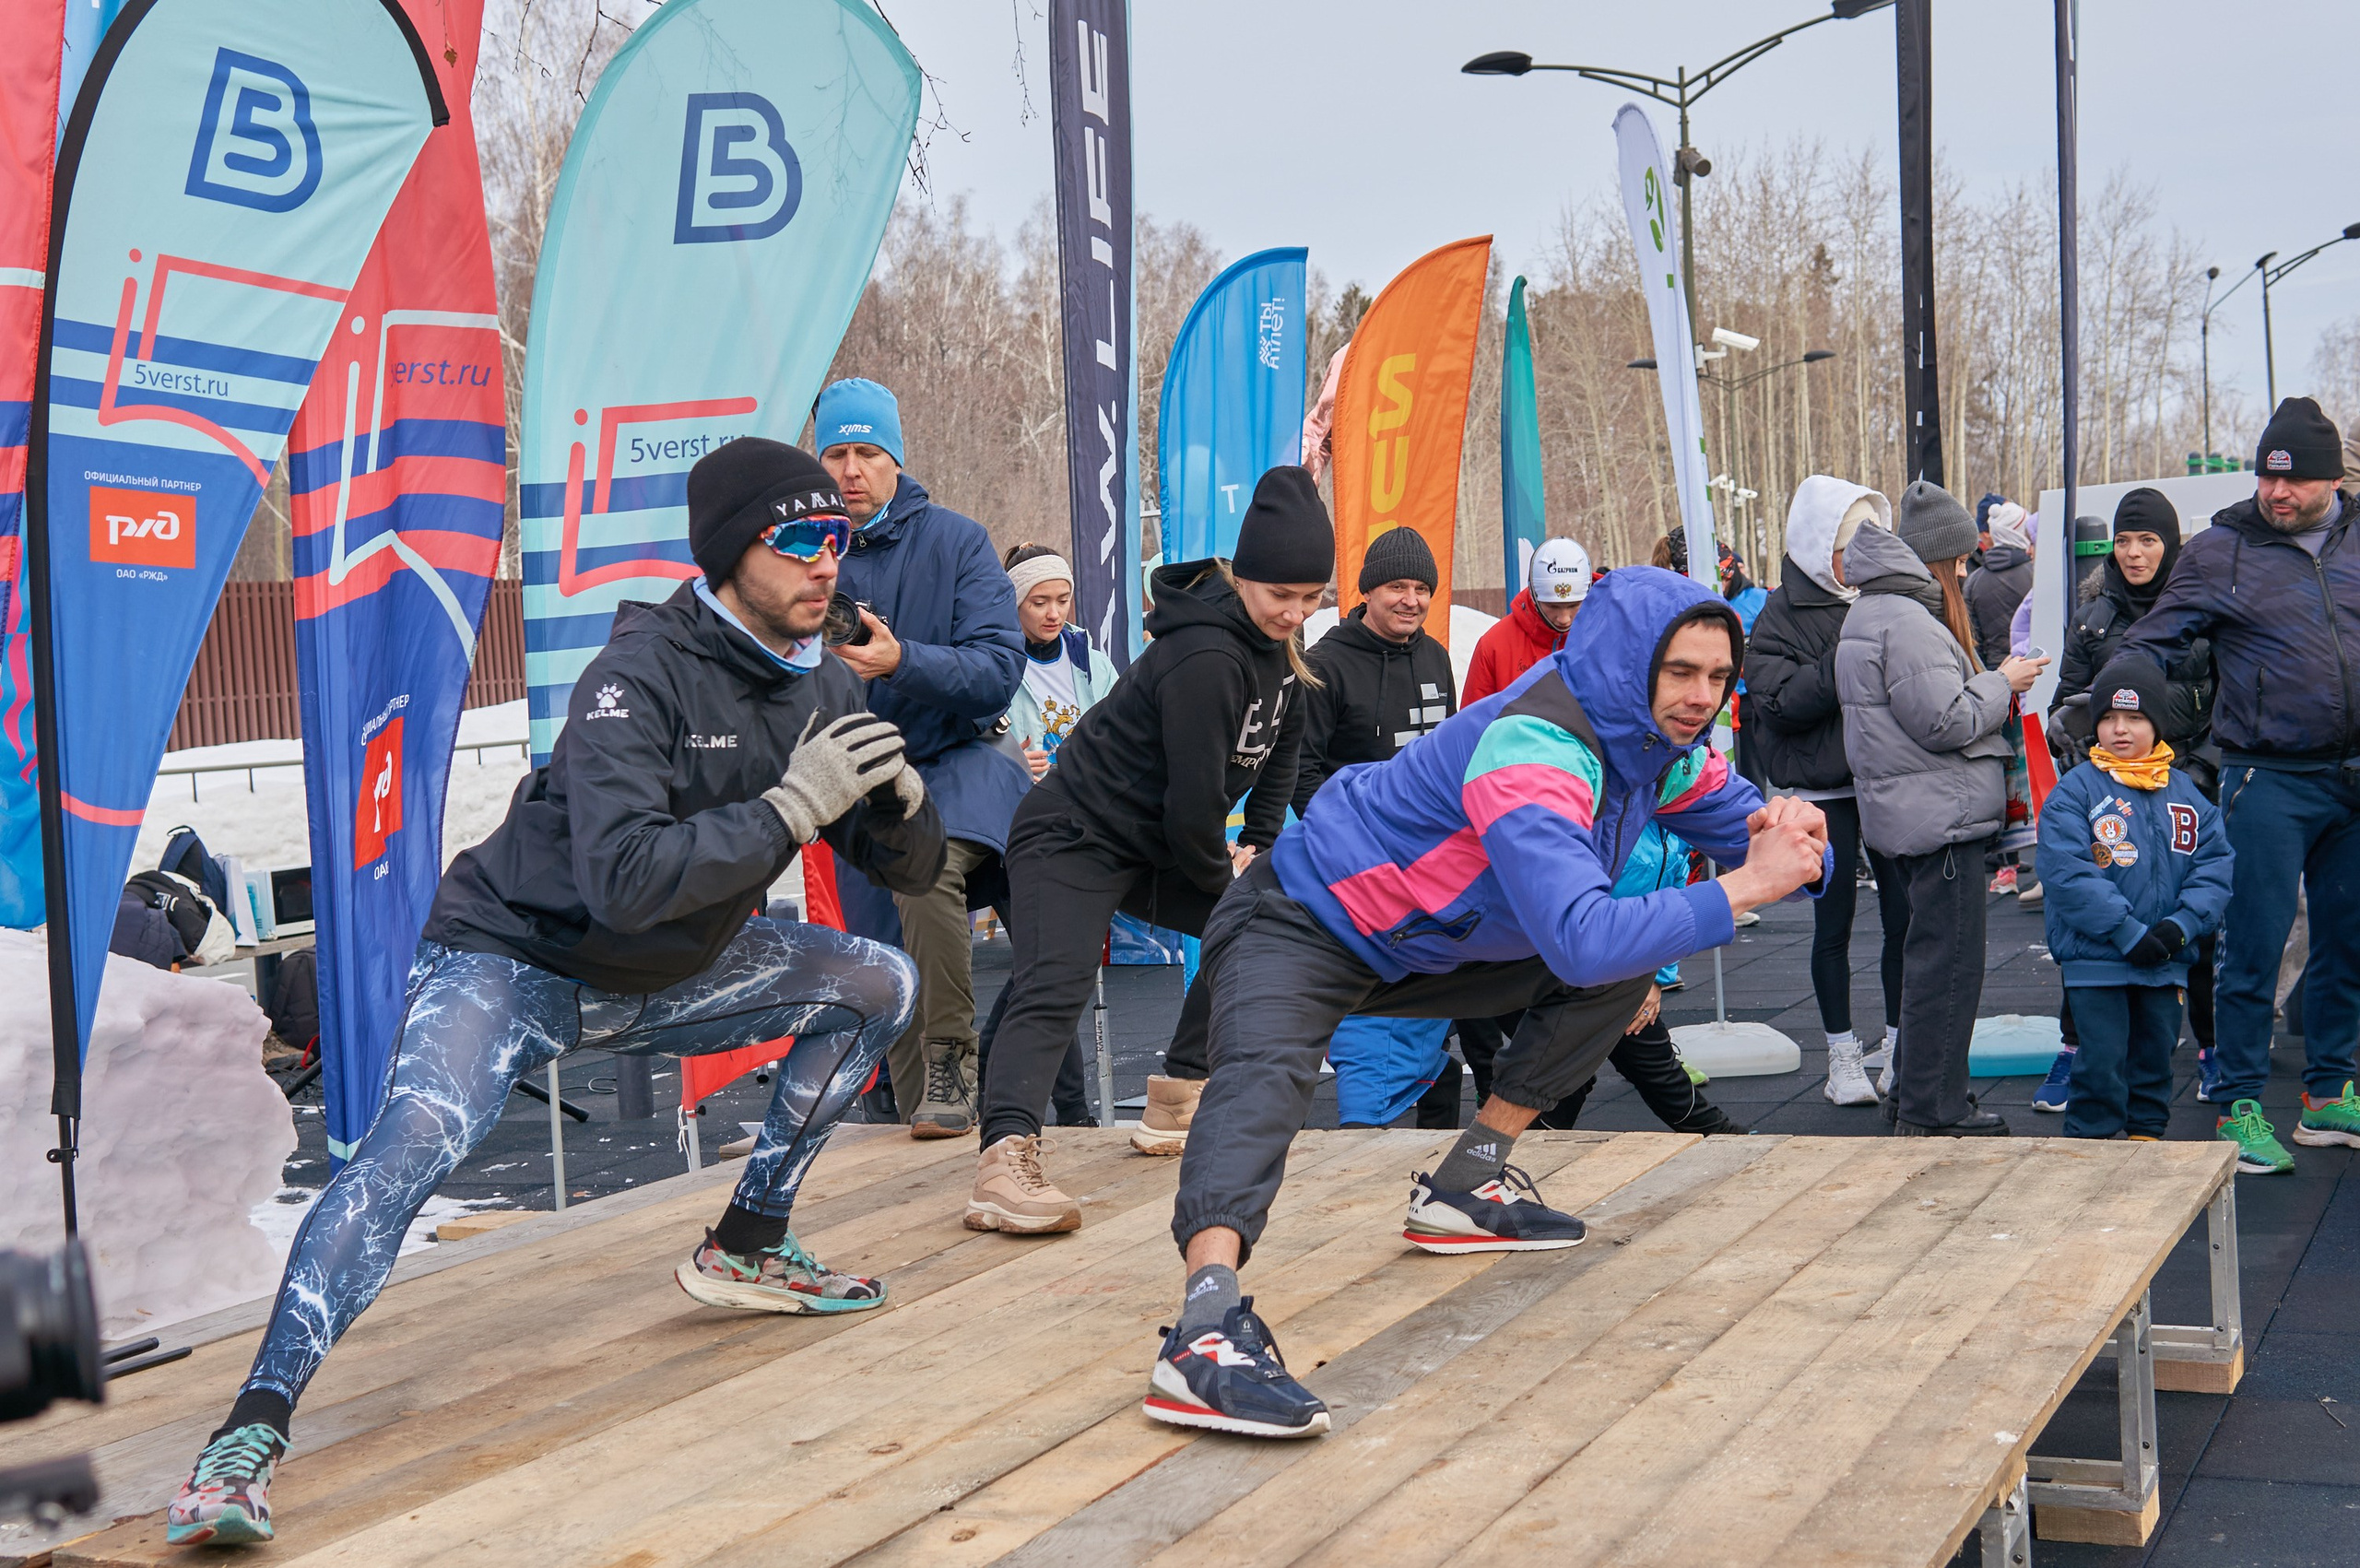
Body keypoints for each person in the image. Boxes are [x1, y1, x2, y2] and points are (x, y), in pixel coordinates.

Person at [164, 440, 943, 1546]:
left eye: (842, 540)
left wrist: (902, 807)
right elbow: (623, 880)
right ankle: (244, 1437)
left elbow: (909, 875)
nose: (830, 563)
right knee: (407, 1155)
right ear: (730, 554)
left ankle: (748, 1241)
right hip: (513, 963)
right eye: (803, 539)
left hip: (666, 975)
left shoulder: (821, 680)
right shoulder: (635, 676)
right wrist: (787, 812)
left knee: (878, 980)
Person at [1145, 567, 1829, 1439]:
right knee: (1266, 1081)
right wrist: (1744, 885)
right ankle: (1202, 1329)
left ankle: (1465, 1185)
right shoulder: (1534, 750)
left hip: (1434, 943)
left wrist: (1798, 835)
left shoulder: (1657, 747)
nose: (1701, 697)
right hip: (1307, 917)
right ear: (1630, 664)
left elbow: (1771, 843)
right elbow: (1584, 933)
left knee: (1633, 953)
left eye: (1716, 678)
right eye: (1681, 673)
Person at [969, 466, 1320, 1232]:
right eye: (1279, 596)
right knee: (1054, 984)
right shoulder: (1205, 658)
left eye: (1310, 598)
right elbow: (1194, 802)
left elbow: (1283, 750)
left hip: (1152, 841)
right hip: (1073, 833)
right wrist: (1215, 873)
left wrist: (1257, 847)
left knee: (1265, 925)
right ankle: (1003, 1158)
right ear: (1244, 577)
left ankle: (1177, 1094)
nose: (1293, 613)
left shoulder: (1284, 657)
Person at [2120, 396, 2360, 1172]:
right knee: (2250, 944)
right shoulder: (2221, 550)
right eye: (2266, 476)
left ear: (2334, 481)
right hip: (2266, 776)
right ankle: (2241, 1104)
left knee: (2345, 941)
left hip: (2353, 779)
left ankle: (2328, 1095)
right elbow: (2148, 644)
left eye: (2294, 481)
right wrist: (2119, 713)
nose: (2277, 492)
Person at [815, 378, 1027, 1138]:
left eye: (867, 451)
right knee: (882, 974)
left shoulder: (958, 540)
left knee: (923, 860)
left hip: (959, 765)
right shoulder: (805, 556)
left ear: (896, 460)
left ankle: (952, 1056)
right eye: (836, 452)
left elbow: (999, 669)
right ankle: (921, 1100)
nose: (850, 469)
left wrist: (902, 660)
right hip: (857, 786)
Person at [1836, 480, 2047, 1136]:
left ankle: (1920, 1098)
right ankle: (1936, 1109)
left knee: (1928, 967)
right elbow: (1946, 721)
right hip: (1939, 819)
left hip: (1913, 814)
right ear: (1938, 559)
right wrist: (2002, 681)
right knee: (1948, 971)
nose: (1966, 569)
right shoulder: (1905, 621)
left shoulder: (1877, 613)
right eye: (1960, 559)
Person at [2035, 488, 2215, 1114]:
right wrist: (2088, 758)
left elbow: (2225, 700)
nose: (2134, 553)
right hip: (2109, 789)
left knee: (2191, 920)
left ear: (2170, 545)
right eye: (2124, 540)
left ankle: (2210, 1047)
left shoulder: (2201, 609)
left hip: (2184, 784)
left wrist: (2197, 774)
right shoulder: (2091, 618)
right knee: (2096, 914)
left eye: (2148, 540)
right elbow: (2071, 701)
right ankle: (2074, 1046)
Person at [1287, 526, 1468, 1129]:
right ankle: (1362, 1136)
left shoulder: (1436, 656)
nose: (1411, 599)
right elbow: (1300, 773)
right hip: (1357, 871)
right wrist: (1351, 848)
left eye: (1421, 587)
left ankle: (1437, 1138)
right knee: (1370, 1014)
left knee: (1434, 1003)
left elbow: (1448, 757)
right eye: (1398, 586)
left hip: (1431, 868)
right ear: (1368, 591)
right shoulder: (1325, 666)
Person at [1744, 475, 1908, 1106]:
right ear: (1819, 547)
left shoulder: (1880, 601)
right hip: (1824, 791)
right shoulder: (1778, 614)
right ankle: (1842, 1054)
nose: (1859, 560)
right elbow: (1779, 704)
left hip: (1882, 779)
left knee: (1904, 917)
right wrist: (1846, 649)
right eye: (1848, 547)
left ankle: (1897, 1045)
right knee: (1832, 921)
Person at [2035, 658, 2232, 1142]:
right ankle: (2090, 1157)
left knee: (2153, 1063)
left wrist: (2180, 927)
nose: (2120, 730)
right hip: (2098, 959)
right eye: (2108, 719)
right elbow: (2068, 872)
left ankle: (2146, 1150)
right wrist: (2126, 931)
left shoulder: (2187, 795)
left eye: (2136, 718)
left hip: (2165, 959)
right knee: (2100, 1065)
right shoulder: (2075, 792)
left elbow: (2214, 866)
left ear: (2157, 724)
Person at [971, 544, 1118, 1130]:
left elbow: (1120, 722)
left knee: (1051, 969)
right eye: (1039, 602)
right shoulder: (994, 656)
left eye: (1062, 599)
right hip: (1018, 830)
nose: (1054, 612)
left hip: (1082, 828)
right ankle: (1073, 1111)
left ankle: (993, 1068)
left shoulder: (1088, 656)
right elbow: (970, 728)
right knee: (1054, 968)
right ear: (1015, 604)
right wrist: (1010, 758)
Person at [1966, 501, 2037, 894]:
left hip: (1995, 687)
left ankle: (2005, 867)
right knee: (2040, 772)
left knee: (2004, 775)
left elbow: (1971, 639)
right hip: (2034, 680)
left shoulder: (1974, 582)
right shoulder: (2034, 575)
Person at [1462, 536, 1589, 702]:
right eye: (1552, 606)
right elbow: (1473, 722)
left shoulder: (1605, 639)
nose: (1564, 618)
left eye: (1574, 605)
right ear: (1534, 595)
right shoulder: (1494, 646)